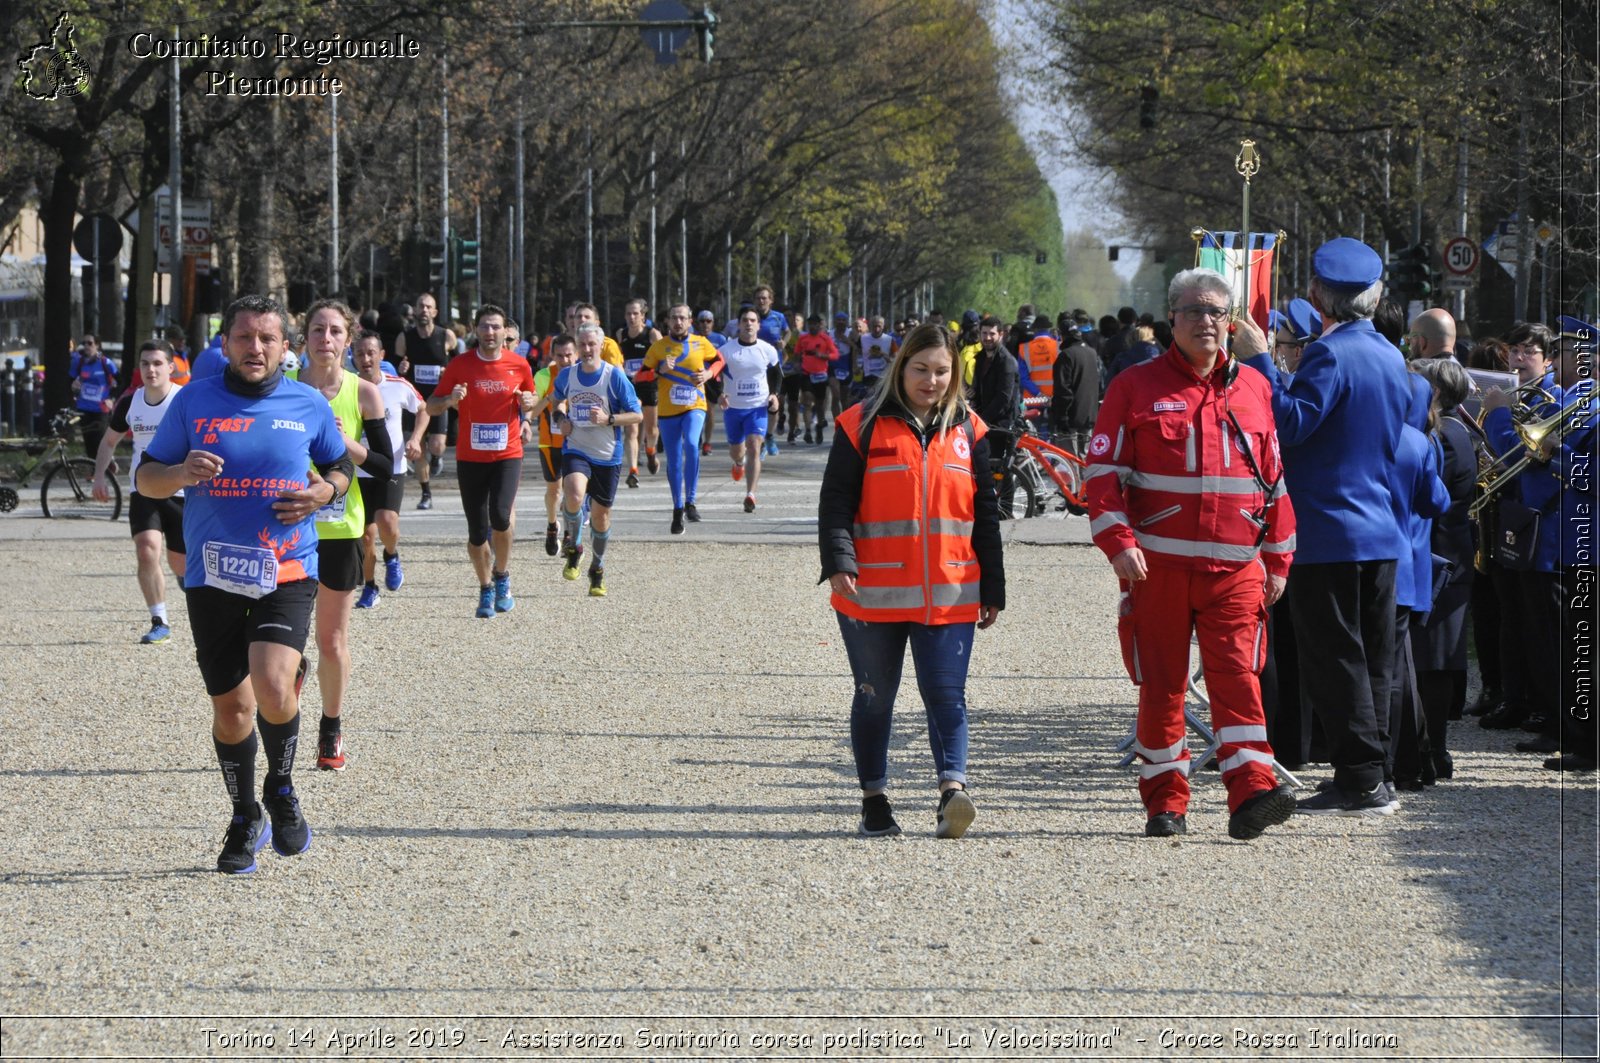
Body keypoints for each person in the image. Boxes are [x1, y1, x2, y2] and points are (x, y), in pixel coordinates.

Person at [137, 293, 354, 873]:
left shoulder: (306, 403)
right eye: (243, 337)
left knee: (274, 684)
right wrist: (180, 472)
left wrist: (323, 493)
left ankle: (281, 787)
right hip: (212, 574)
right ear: (225, 343)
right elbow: (147, 479)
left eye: (266, 338)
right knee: (233, 710)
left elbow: (342, 467)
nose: (254, 348)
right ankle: (244, 814)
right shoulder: (193, 401)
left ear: (285, 346)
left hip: (286, 567)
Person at [1086, 267, 1298, 839]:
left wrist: (1278, 558)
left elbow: (1273, 481)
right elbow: (1101, 476)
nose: (1207, 321)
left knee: (1238, 681)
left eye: (1217, 312)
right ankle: (1165, 804)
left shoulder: (1254, 387)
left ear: (1231, 323)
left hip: (1236, 571)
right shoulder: (1135, 386)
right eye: (1195, 310)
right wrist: (1119, 544)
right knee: (1163, 686)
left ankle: (1252, 793)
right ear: (1171, 320)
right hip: (1158, 569)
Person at [1242, 237, 1410, 817]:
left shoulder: (1329, 355)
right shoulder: (1390, 354)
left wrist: (1263, 360)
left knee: (1335, 658)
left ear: (1318, 296)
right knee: (1373, 659)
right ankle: (1375, 772)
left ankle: (1359, 778)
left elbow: (1291, 426)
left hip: (1331, 530)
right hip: (1380, 528)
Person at [818, 322, 1004, 839]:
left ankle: (953, 793)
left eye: (942, 371)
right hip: (869, 592)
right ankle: (874, 800)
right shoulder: (859, 424)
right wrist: (839, 561)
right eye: (920, 369)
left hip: (950, 592)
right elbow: (835, 503)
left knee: (948, 696)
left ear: (956, 375)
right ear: (901, 368)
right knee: (875, 695)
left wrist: (994, 588)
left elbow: (985, 514)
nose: (931, 380)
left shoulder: (971, 431)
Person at [289, 301, 392, 773]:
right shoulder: (281, 390)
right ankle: (293, 673)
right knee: (280, 638)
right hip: (285, 525)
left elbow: (385, 466)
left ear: (347, 341)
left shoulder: (364, 393)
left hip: (339, 527)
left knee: (331, 641)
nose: (324, 339)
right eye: (317, 330)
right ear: (303, 338)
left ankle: (330, 727)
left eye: (334, 332)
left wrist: (342, 441)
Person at [425, 304, 537, 618]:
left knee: (501, 517)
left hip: (507, 454)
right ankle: (485, 587)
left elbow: (530, 397)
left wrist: (529, 403)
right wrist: (449, 400)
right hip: (470, 457)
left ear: (505, 332)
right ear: (476, 330)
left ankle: (502, 575)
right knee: (476, 533)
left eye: (496, 327)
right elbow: (431, 406)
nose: (490, 333)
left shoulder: (519, 365)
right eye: (485, 327)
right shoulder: (460, 365)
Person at [1408, 357, 1477, 779]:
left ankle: (1433, 751)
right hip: (1446, 556)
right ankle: (1433, 751)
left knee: (1432, 661)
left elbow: (1432, 499)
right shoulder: (1451, 430)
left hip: (1441, 559)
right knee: (1433, 659)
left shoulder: (1446, 436)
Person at [93, 340, 186, 644]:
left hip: (182, 490)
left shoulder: (184, 400)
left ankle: (193, 588)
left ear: (170, 367)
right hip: (143, 488)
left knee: (180, 564)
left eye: (158, 363)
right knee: (147, 550)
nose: (151, 369)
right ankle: (159, 620)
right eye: (145, 363)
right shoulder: (130, 403)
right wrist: (99, 477)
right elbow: (109, 441)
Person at [548, 322, 643, 596]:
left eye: (592, 344)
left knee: (601, 517)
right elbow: (556, 401)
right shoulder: (568, 376)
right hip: (576, 447)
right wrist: (560, 418)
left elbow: (636, 414)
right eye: (582, 345)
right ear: (576, 347)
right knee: (574, 495)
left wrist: (609, 419)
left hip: (606, 454)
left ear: (601, 346)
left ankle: (597, 567)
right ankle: (575, 545)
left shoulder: (614, 377)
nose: (587, 349)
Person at [351, 331, 428, 610]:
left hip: (391, 466)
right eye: (359, 353)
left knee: (387, 522)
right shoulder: (348, 386)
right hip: (358, 470)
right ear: (353, 357)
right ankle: (370, 587)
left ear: (381, 355)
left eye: (371, 352)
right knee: (365, 535)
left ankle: (392, 555)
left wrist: (416, 438)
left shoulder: (397, 385)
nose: (366, 358)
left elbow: (423, 408)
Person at [643, 304, 719, 533]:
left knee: (693, 445)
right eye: (674, 318)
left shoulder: (701, 342)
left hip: (695, 406)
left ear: (690, 321)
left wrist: (708, 374)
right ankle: (678, 508)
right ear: (668, 321)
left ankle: (691, 501)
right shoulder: (658, 347)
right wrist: (659, 371)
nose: (678, 322)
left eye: (682, 318)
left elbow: (719, 361)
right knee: (674, 459)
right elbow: (640, 375)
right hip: (667, 411)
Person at [394, 293, 457, 511]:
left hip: (438, 398)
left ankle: (437, 457)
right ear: (415, 309)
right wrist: (401, 369)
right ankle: (426, 493)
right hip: (415, 400)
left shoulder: (446, 336)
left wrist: (447, 372)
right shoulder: (405, 337)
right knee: (417, 450)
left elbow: (458, 364)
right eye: (421, 306)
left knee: (437, 445)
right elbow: (395, 363)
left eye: (429, 307)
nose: (424, 310)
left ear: (435, 312)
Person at [718, 306, 781, 512]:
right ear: (738, 324)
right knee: (737, 450)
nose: (749, 323)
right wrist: (719, 394)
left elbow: (777, 374)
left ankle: (750, 494)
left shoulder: (766, 349)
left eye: (753, 320)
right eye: (745, 320)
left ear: (758, 325)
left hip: (757, 407)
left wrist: (774, 394)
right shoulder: (726, 351)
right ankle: (738, 463)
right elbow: (713, 374)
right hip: (734, 408)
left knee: (754, 446)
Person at [532, 333, 579, 555]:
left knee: (573, 490)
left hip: (577, 442)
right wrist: (550, 398)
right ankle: (552, 526)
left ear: (576, 354)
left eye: (569, 355)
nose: (564, 360)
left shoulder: (584, 375)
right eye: (559, 355)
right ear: (552, 355)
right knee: (554, 490)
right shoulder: (543, 376)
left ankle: (569, 533)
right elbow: (532, 412)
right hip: (549, 443)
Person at [969, 316, 1022, 518]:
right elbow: (978, 390)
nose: (988, 337)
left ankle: (1005, 513)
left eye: (992, 333)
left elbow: (1004, 398)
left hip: (1002, 424)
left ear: (1001, 334)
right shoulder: (981, 358)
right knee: (987, 466)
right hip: (985, 420)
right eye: (984, 333)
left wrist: (981, 419)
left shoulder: (1006, 361)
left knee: (1002, 470)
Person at [616, 298, 662, 488]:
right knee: (631, 429)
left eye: (636, 313)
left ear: (643, 315)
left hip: (649, 385)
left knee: (651, 429)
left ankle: (650, 450)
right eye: (628, 313)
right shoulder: (621, 334)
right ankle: (633, 470)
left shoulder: (652, 335)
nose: (632, 317)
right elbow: (618, 359)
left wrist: (645, 374)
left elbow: (661, 364)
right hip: (630, 386)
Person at [1051, 323, 1100, 456]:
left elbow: (1063, 389)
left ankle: (1075, 478)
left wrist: (1061, 416)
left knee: (1069, 458)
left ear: (1063, 336)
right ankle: (1085, 478)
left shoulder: (1066, 356)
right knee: (1085, 457)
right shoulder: (1092, 352)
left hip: (1070, 417)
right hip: (1089, 414)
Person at [793, 314, 841, 443]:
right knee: (807, 401)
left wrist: (823, 356)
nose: (812, 326)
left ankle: (819, 426)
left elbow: (835, 355)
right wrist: (797, 364)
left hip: (820, 375)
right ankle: (808, 430)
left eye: (815, 324)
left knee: (820, 405)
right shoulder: (803, 338)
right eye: (810, 324)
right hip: (806, 374)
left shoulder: (825, 339)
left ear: (820, 325)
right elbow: (797, 353)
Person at [70, 333, 119, 458]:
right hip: (84, 407)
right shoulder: (79, 362)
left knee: (99, 439)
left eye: (90, 343)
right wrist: (73, 387)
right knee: (88, 440)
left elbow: (121, 380)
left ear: (97, 345)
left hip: (100, 408)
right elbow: (70, 381)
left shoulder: (105, 362)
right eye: (84, 343)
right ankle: (93, 469)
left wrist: (111, 398)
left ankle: (106, 462)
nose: (86, 346)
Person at [695, 309, 728, 456]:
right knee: (696, 410)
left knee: (709, 411)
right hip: (697, 376)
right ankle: (696, 438)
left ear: (713, 323)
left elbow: (724, 360)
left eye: (708, 321)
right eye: (702, 321)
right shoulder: (692, 338)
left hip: (714, 378)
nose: (705, 324)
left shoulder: (720, 339)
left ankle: (707, 442)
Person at [827, 311, 856, 429]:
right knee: (836, 394)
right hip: (833, 366)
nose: (840, 322)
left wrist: (847, 341)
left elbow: (857, 348)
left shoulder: (851, 333)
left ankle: (845, 423)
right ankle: (837, 424)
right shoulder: (829, 333)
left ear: (846, 322)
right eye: (838, 320)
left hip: (846, 367)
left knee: (844, 399)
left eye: (843, 320)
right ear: (835, 321)